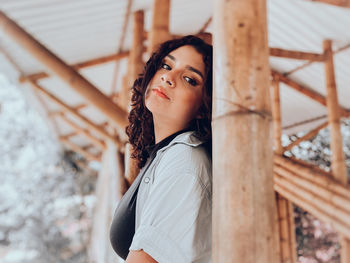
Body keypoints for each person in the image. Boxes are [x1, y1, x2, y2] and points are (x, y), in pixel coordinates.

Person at [110, 35, 213, 263]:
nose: (168, 77)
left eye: (189, 79)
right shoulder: (162, 153)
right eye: (166, 65)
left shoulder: (185, 164)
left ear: (203, 107)